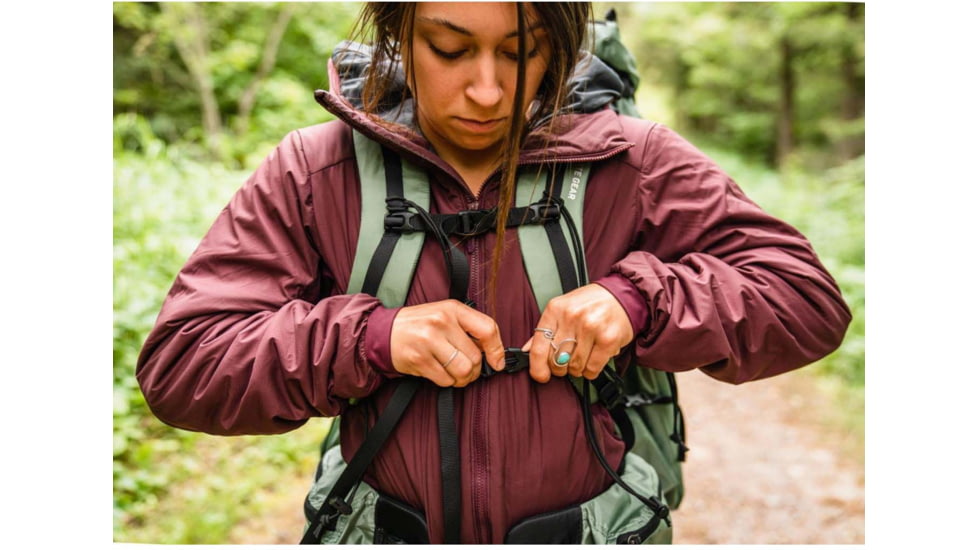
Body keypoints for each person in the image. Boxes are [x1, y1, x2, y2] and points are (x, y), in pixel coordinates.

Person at [136, 2, 851, 544]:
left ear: (561, 48)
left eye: (522, 52)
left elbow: (804, 299)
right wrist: (370, 340)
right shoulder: (317, 170)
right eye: (449, 49)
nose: (487, 91)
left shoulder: (632, 163)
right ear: (397, 38)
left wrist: (642, 300)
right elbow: (185, 365)